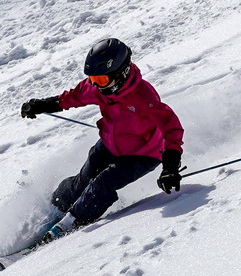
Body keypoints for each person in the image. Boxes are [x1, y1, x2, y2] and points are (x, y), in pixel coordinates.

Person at [20, 38, 184, 245]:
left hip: (142, 155)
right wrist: (42, 105)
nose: (96, 85)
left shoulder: (143, 96)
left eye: (102, 80)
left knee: (102, 183)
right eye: (94, 80)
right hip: (108, 145)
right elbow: (74, 97)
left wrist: (170, 166)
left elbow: (171, 127)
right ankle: (54, 209)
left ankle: (69, 224)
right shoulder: (97, 88)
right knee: (83, 180)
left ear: (121, 73)